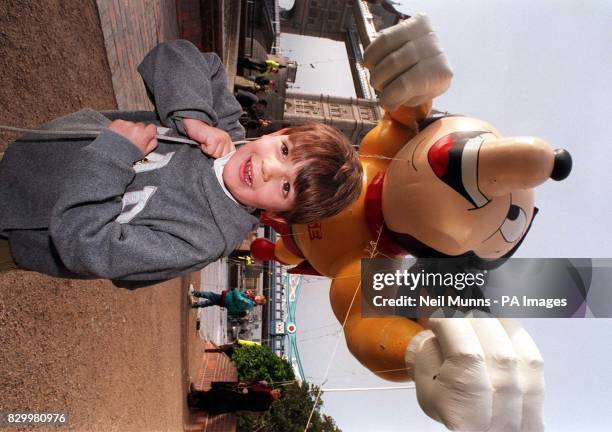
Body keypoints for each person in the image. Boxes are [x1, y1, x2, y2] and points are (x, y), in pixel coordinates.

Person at [0, 40, 363, 282]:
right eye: (285, 152)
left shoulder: (204, 240)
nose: (269, 168)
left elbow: (86, 248)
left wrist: (115, 156)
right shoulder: (226, 129)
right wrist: (193, 117)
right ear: (275, 134)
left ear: (279, 216)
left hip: (20, 225)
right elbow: (181, 55)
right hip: (30, 157)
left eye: (285, 187)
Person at [187, 381, 281, 415]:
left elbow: (253, 406)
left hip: (239, 401)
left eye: (277, 394)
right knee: (217, 392)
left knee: (217, 403)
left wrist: (248, 393)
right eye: (277, 390)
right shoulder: (267, 388)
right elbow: (253, 385)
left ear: (277, 399)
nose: (275, 392)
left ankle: (195, 404)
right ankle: (196, 393)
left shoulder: (266, 405)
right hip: (238, 390)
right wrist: (259, 381)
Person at [191, 287, 266, 316]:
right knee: (212, 302)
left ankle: (194, 293)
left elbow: (239, 299)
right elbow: (241, 299)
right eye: (259, 296)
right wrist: (246, 292)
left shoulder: (250, 304)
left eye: (259, 299)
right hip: (228, 303)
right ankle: (196, 305)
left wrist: (235, 290)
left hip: (228, 300)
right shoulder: (251, 302)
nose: (258, 297)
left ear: (259, 303)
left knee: (211, 295)